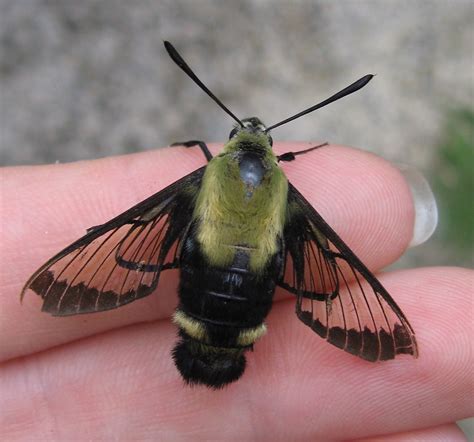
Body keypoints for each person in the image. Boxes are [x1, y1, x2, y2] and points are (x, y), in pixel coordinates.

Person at [1, 143, 471, 440]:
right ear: (278, 160)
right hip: (249, 305)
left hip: (201, 295)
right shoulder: (291, 199)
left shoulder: (199, 177)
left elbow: (137, 240)